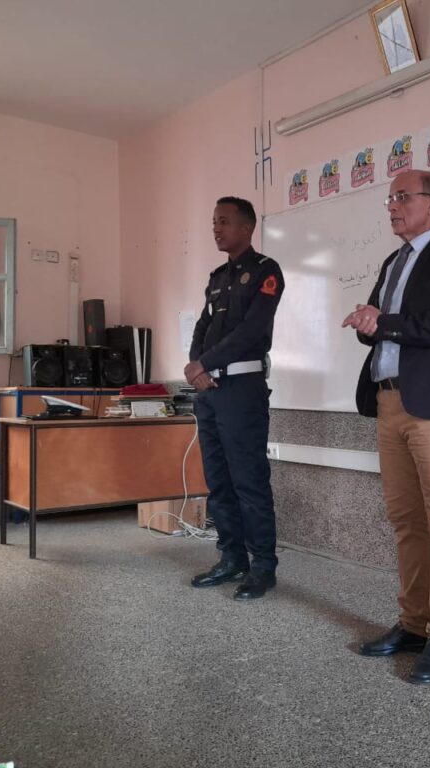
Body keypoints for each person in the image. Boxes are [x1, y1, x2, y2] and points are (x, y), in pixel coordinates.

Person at [341, 169, 430, 685]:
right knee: (406, 520)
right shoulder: (393, 261)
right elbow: (380, 330)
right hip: (387, 401)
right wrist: (367, 323)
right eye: (390, 199)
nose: (392, 206)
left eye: (402, 197)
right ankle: (413, 623)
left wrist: (383, 322)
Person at [186, 196, 284, 600]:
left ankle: (262, 566)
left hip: (242, 390)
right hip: (209, 392)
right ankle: (231, 557)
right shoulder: (217, 278)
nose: (216, 228)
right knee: (218, 480)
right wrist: (196, 366)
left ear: (247, 227)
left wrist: (204, 363)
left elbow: (250, 331)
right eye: (214, 221)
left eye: (224, 221)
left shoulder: (266, 271)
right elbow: (202, 326)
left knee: (249, 480)